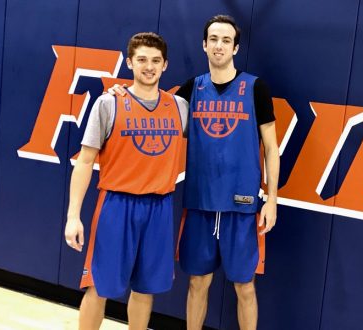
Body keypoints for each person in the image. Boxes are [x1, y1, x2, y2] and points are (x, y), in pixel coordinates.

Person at [64, 32, 188, 330]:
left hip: (159, 206)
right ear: (130, 62)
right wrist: (73, 215)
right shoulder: (108, 104)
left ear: (165, 65)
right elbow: (84, 161)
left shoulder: (180, 107)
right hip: (117, 205)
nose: (149, 66)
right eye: (142, 60)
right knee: (99, 286)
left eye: (156, 61)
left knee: (145, 288)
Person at [176, 15, 279, 330]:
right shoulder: (192, 88)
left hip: (242, 205)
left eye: (226, 40)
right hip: (200, 203)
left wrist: (272, 200)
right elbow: (158, 119)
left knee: (245, 287)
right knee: (197, 282)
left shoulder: (255, 87)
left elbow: (272, 149)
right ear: (204, 45)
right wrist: (123, 95)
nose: (219, 46)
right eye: (214, 39)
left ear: (235, 47)